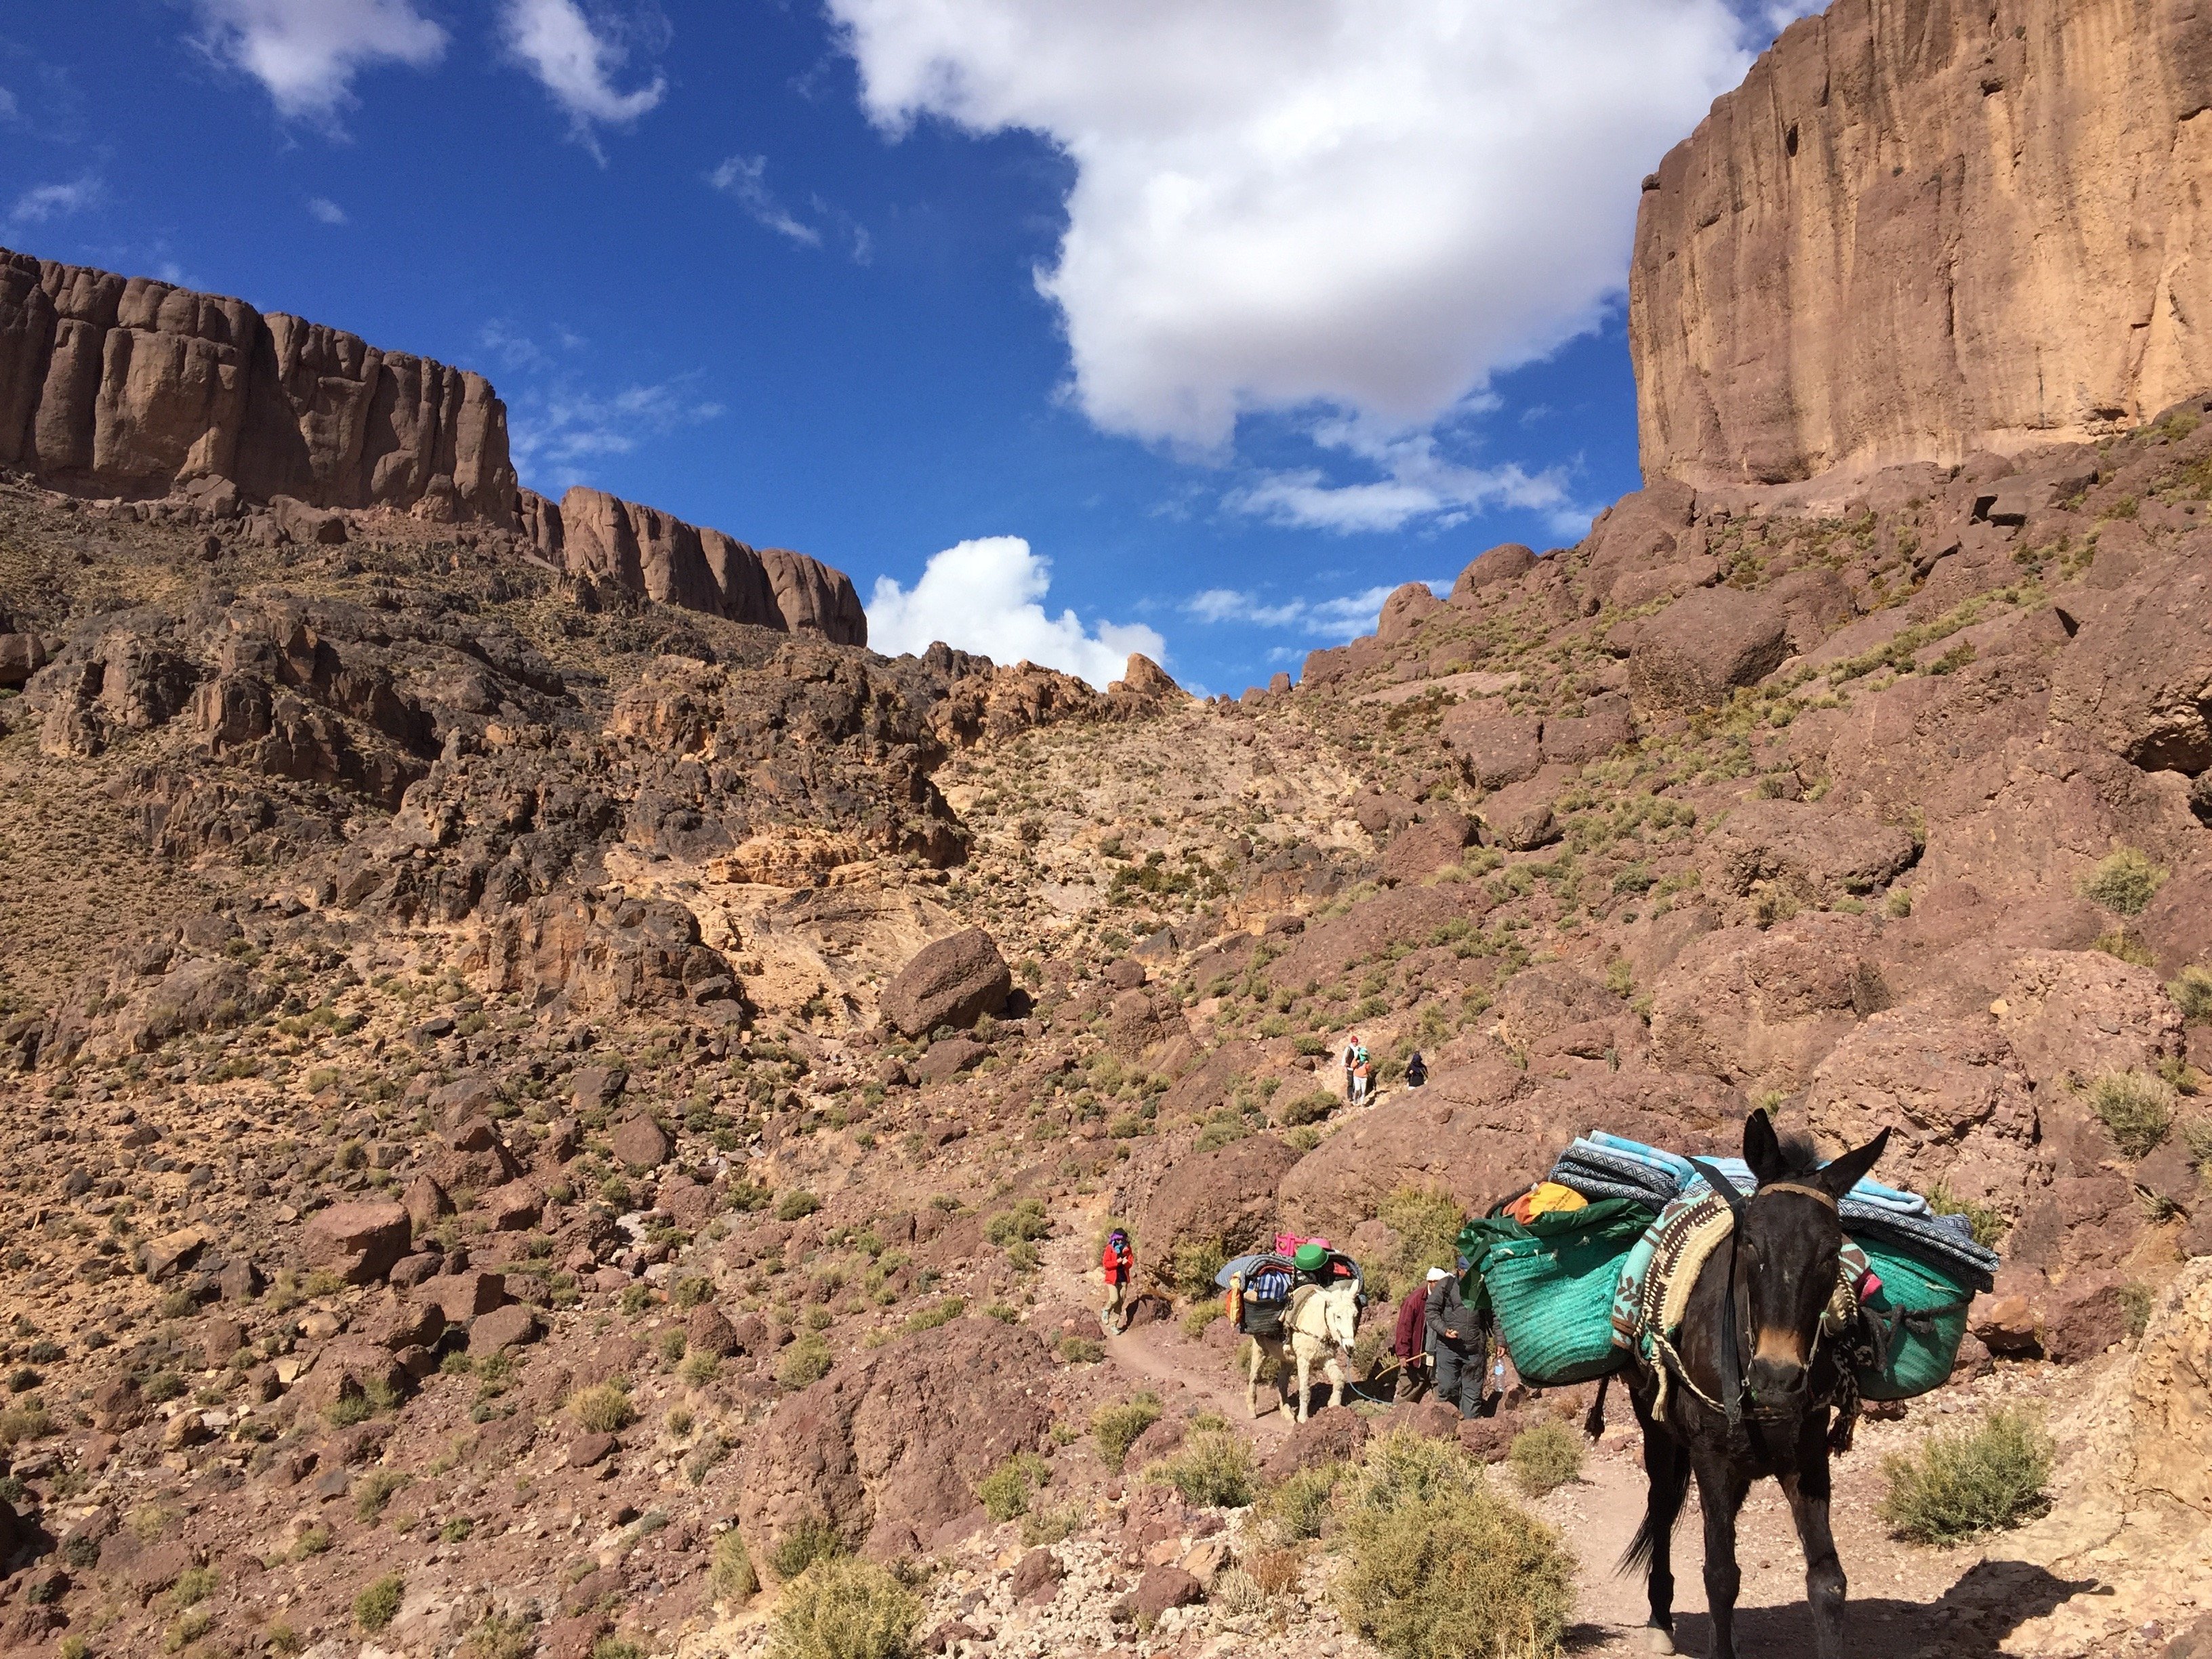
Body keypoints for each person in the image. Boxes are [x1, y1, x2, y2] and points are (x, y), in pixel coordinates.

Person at [1425, 1257, 1486, 1419]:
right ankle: (1448, 1430)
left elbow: (1494, 1314)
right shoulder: (1446, 1285)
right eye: (1468, 1273)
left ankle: (1469, 1431)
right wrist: (1444, 1330)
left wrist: (1500, 1341)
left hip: (1474, 1350)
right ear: (1459, 1271)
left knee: (1472, 1394)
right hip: (1448, 1348)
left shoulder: (1482, 1287)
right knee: (1447, 1388)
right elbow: (1431, 1311)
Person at [1393, 1273, 1435, 1400]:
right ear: (1432, 1282)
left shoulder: (1447, 1298)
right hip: (1416, 1357)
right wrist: (1403, 1354)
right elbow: (1404, 1328)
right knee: (1408, 1391)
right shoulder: (1415, 1300)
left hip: (1437, 1359)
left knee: (1443, 1396)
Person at [1099, 1228, 1134, 1335]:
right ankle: (1106, 1310)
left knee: (1120, 1302)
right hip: (1112, 1278)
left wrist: (1125, 1262)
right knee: (1114, 1299)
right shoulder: (1110, 1248)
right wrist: (1116, 1262)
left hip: (1123, 1278)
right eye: (1118, 1239)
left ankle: (1114, 1325)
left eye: (1122, 1239)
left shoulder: (1127, 1249)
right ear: (1115, 1239)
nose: (1120, 1241)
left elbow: (1130, 1263)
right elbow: (1106, 1264)